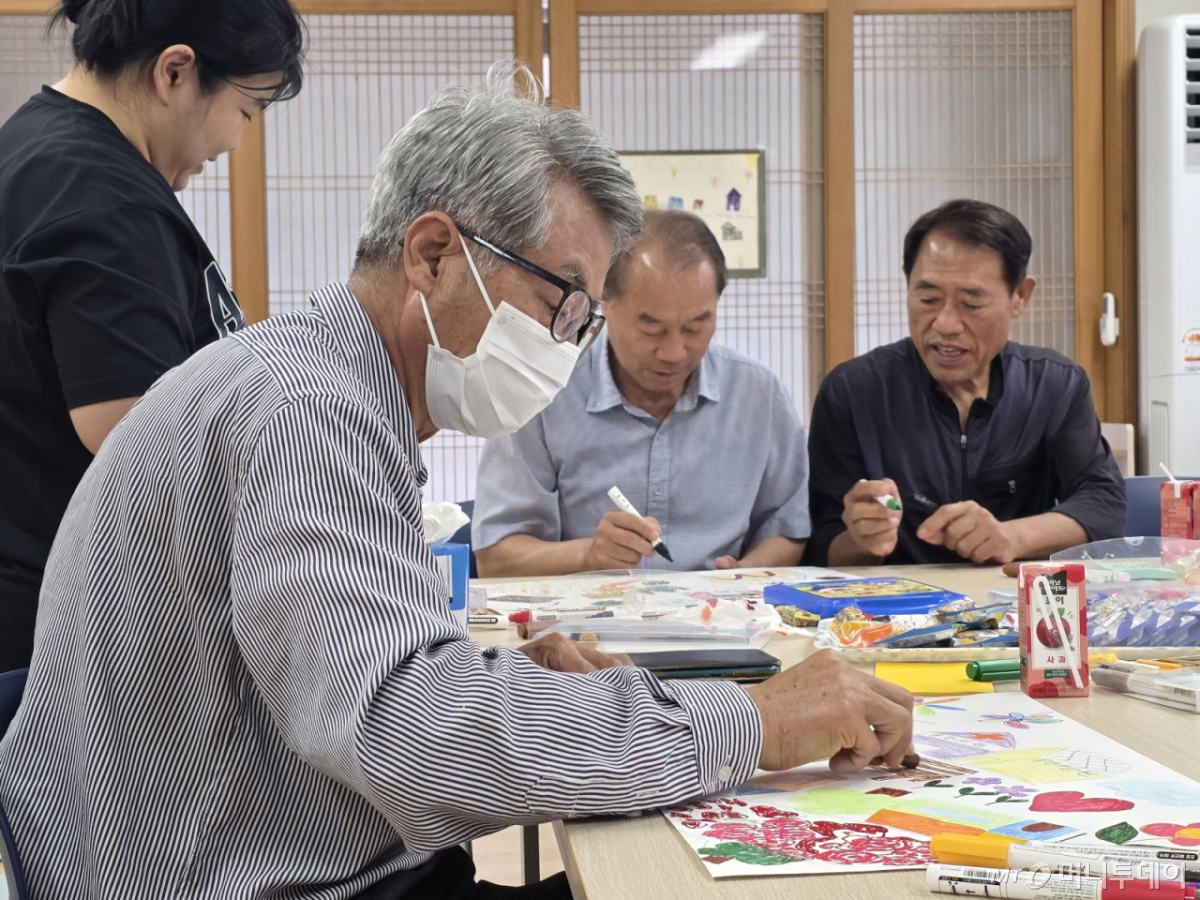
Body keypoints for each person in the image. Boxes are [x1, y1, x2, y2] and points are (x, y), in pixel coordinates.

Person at [0, 67, 914, 900]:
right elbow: (404, 732)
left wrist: (512, 683)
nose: (566, 345)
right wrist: (752, 720)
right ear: (434, 253)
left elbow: (347, 683)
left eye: (583, 322)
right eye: (561, 302)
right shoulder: (306, 410)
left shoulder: (322, 387)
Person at [0, 0, 305, 671]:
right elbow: (135, 434)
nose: (234, 143)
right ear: (174, 73)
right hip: (63, 643)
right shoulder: (102, 196)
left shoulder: (32, 147)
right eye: (246, 110)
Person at [472, 210, 810, 576]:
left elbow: (786, 527)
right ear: (604, 303)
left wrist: (744, 573)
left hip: (721, 608)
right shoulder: (545, 390)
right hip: (589, 611)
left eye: (695, 327)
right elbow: (496, 557)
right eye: (652, 330)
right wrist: (589, 555)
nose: (674, 353)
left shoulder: (758, 395)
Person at [804, 199, 1125, 567]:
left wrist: (1012, 536)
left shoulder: (1053, 385)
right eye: (927, 298)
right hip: (895, 600)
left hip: (1014, 595)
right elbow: (819, 545)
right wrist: (862, 540)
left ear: (1019, 296)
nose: (945, 324)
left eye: (971, 303)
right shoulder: (852, 392)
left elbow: (1104, 505)